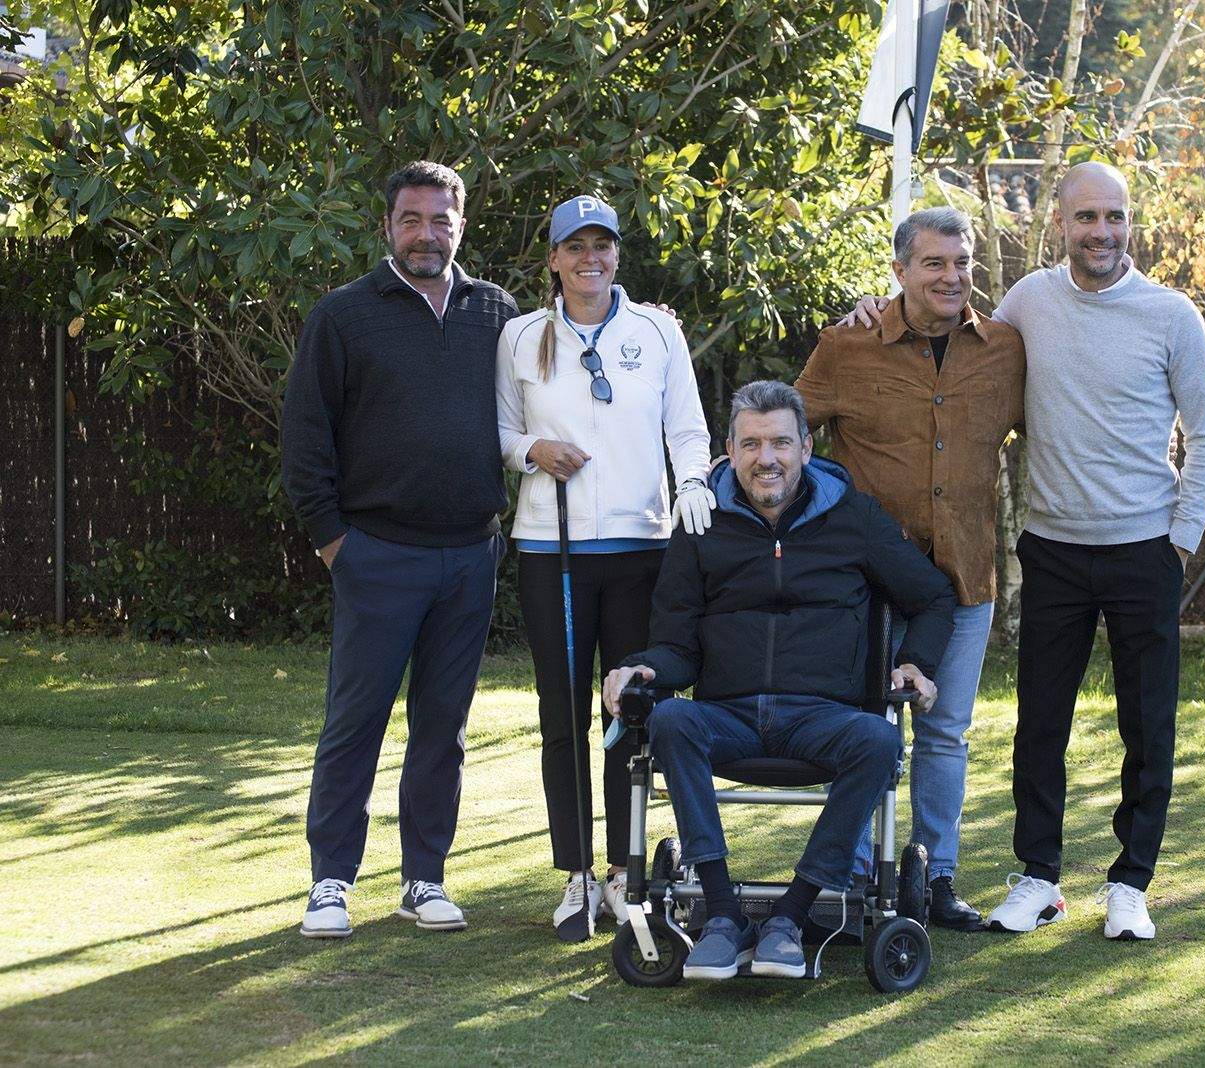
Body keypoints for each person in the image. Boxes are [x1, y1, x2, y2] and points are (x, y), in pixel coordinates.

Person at [845, 163, 1205, 941]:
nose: (1102, 232)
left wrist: (1180, 541)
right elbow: (946, 331)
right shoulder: (1028, 303)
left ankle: (1130, 884)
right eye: (1087, 217)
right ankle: (1041, 878)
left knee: (1147, 728)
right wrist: (873, 311)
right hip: (1052, 550)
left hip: (1145, 548)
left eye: (1115, 217)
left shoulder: (1171, 314)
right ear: (1060, 223)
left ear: (1129, 223)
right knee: (1039, 727)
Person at [601, 380, 956, 980]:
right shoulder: (700, 524)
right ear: (730, 450)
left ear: (806, 447)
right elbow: (676, 643)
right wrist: (646, 667)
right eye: (752, 444)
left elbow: (934, 597)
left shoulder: (855, 518)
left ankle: (792, 915)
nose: (767, 459)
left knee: (878, 740)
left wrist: (916, 664)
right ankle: (721, 914)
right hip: (729, 717)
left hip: (823, 717)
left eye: (781, 443)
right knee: (669, 718)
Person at [282, 160, 518, 939]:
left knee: (443, 727)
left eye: (440, 220)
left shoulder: (497, 313)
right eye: (411, 220)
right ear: (387, 226)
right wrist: (334, 544)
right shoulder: (344, 315)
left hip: (469, 556)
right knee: (355, 722)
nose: (426, 234)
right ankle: (329, 882)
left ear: (461, 224)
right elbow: (305, 439)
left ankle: (425, 878)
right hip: (375, 553)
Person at [794, 206, 1024, 931]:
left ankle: (935, 878)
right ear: (899, 271)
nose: (952, 276)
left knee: (945, 732)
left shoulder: (1006, 349)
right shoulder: (846, 345)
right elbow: (782, 438)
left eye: (962, 263)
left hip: (962, 577)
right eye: (934, 263)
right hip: (866, 587)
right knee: (862, 727)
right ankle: (856, 880)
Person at [496, 194, 712, 942]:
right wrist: (532, 451)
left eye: (604, 245)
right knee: (561, 715)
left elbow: (686, 425)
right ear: (553, 259)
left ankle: (625, 872)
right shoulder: (521, 336)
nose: (591, 257)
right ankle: (575, 875)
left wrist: (692, 486)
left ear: (618, 254)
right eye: (575, 246)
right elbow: (499, 429)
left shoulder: (656, 330)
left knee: (632, 714)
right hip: (548, 551)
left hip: (640, 550)